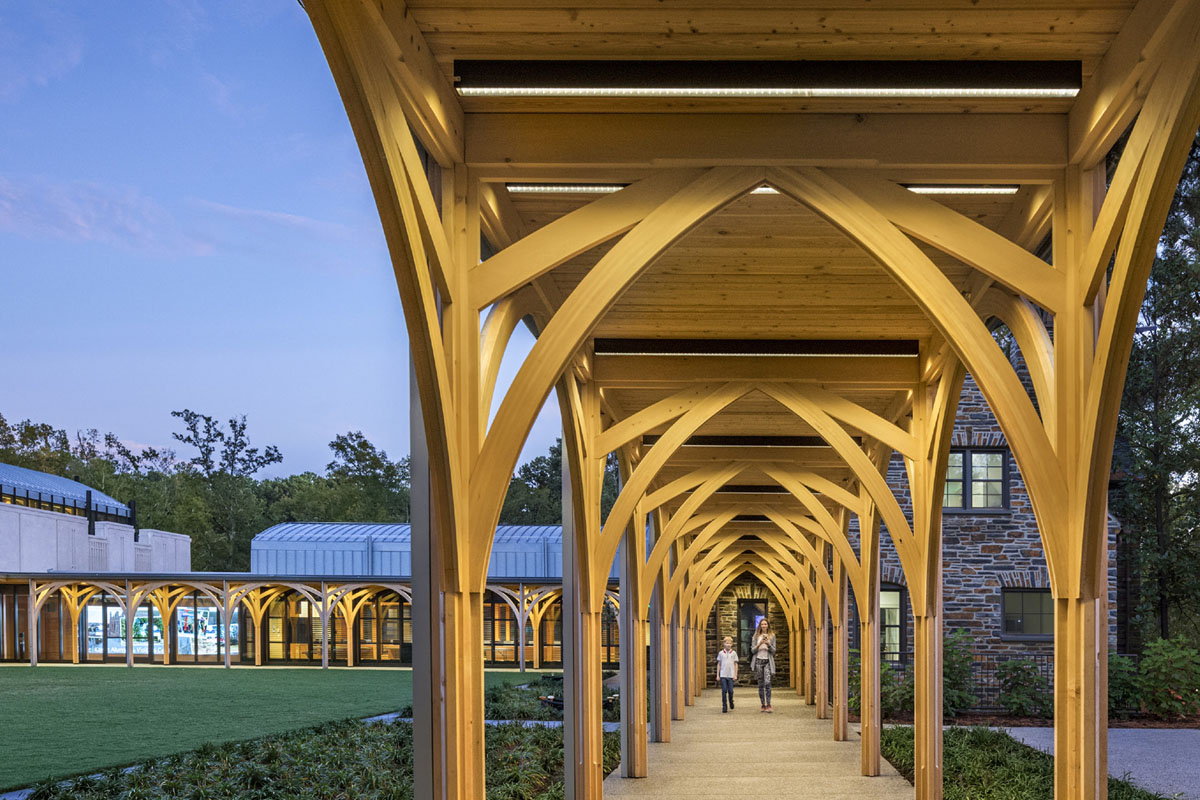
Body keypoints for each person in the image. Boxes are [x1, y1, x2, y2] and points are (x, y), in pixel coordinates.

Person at [751, 618, 776, 712]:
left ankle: (769, 704)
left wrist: (769, 644)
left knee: (768, 683)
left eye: (765, 624)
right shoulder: (756, 636)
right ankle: (763, 704)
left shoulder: (772, 636)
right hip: (758, 661)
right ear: (760, 626)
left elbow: (773, 652)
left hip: (767, 662)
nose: (764, 626)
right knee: (760, 684)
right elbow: (752, 651)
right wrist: (759, 644)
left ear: (768, 625)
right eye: (762, 624)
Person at [716, 636, 738, 712]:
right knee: (724, 690)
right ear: (724, 644)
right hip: (723, 675)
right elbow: (719, 664)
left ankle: (731, 701)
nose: (728, 644)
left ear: (732, 644)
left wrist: (735, 674)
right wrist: (718, 675)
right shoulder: (721, 653)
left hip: (731, 675)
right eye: (726, 643)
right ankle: (724, 706)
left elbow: (735, 664)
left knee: (731, 691)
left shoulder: (734, 653)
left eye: (729, 643)